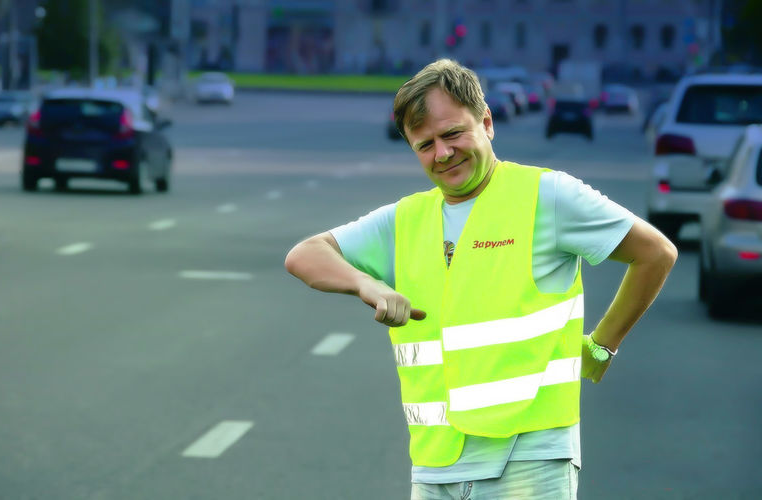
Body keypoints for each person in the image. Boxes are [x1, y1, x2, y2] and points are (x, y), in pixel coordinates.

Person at [284, 59, 677, 499]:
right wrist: (366, 283)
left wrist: (603, 345)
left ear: (487, 122)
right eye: (425, 144)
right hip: (435, 465)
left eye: (453, 134)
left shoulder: (547, 195)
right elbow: (305, 255)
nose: (442, 153)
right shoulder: (405, 219)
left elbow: (655, 254)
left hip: (529, 460)